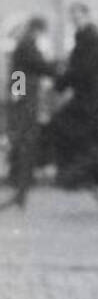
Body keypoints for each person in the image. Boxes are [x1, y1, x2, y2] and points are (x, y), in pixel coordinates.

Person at [49, 2, 98, 187]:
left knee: (61, 123)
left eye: (78, 17)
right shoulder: (85, 37)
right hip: (90, 94)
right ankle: (77, 167)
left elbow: (81, 69)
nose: (76, 21)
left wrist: (59, 81)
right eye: (74, 18)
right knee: (71, 125)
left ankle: (80, 167)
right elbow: (76, 67)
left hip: (91, 96)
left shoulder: (90, 38)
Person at [7, 16, 57, 206]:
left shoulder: (25, 43)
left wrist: (16, 93)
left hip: (26, 96)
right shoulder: (27, 44)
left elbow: (17, 72)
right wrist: (18, 95)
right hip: (26, 99)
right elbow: (28, 69)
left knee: (24, 137)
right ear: (37, 29)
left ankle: (22, 181)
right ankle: (20, 177)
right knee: (25, 137)